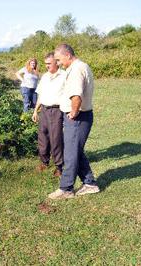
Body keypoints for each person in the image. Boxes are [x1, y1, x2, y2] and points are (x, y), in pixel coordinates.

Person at [48, 44, 100, 199]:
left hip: (78, 117)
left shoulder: (77, 69)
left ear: (68, 55)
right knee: (75, 150)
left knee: (70, 154)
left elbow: (76, 96)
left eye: (58, 59)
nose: (58, 63)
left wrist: (73, 112)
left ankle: (66, 189)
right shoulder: (80, 66)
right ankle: (90, 183)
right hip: (80, 116)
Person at [32, 52, 65, 177]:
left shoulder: (64, 76)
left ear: (56, 62)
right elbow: (41, 95)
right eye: (45, 64)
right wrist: (36, 110)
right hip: (44, 110)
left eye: (49, 63)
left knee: (55, 138)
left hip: (56, 110)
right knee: (43, 137)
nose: (47, 66)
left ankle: (59, 167)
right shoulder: (45, 77)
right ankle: (44, 162)